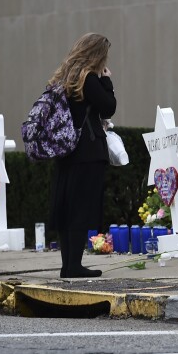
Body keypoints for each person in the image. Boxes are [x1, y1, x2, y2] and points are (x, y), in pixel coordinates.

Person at [48, 33, 116, 278]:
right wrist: (107, 81)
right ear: (98, 55)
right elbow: (109, 106)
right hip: (87, 151)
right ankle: (74, 266)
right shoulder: (89, 79)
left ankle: (68, 265)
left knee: (67, 209)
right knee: (79, 210)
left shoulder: (66, 78)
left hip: (66, 151)